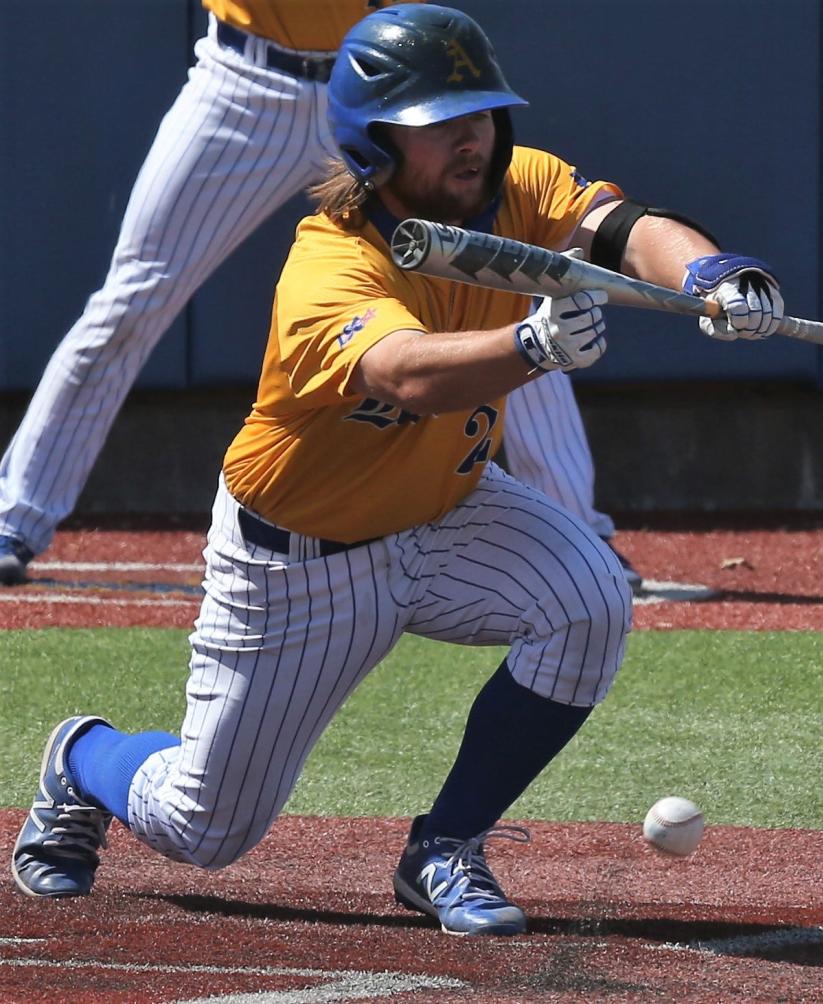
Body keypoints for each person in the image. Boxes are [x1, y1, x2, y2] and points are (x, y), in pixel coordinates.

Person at [11, 5, 783, 936]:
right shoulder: (329, 261)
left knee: (587, 600)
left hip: (450, 512)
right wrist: (530, 343)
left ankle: (445, 847)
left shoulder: (514, 183)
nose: (473, 139)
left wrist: (709, 277)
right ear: (375, 144)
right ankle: (83, 758)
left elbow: (624, 227)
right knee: (202, 825)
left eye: (483, 113)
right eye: (439, 122)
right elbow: (406, 374)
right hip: (300, 563)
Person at [0, 0, 640, 595]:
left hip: (391, 97)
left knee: (506, 293)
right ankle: (15, 516)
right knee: (132, 299)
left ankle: (578, 531)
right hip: (247, 83)